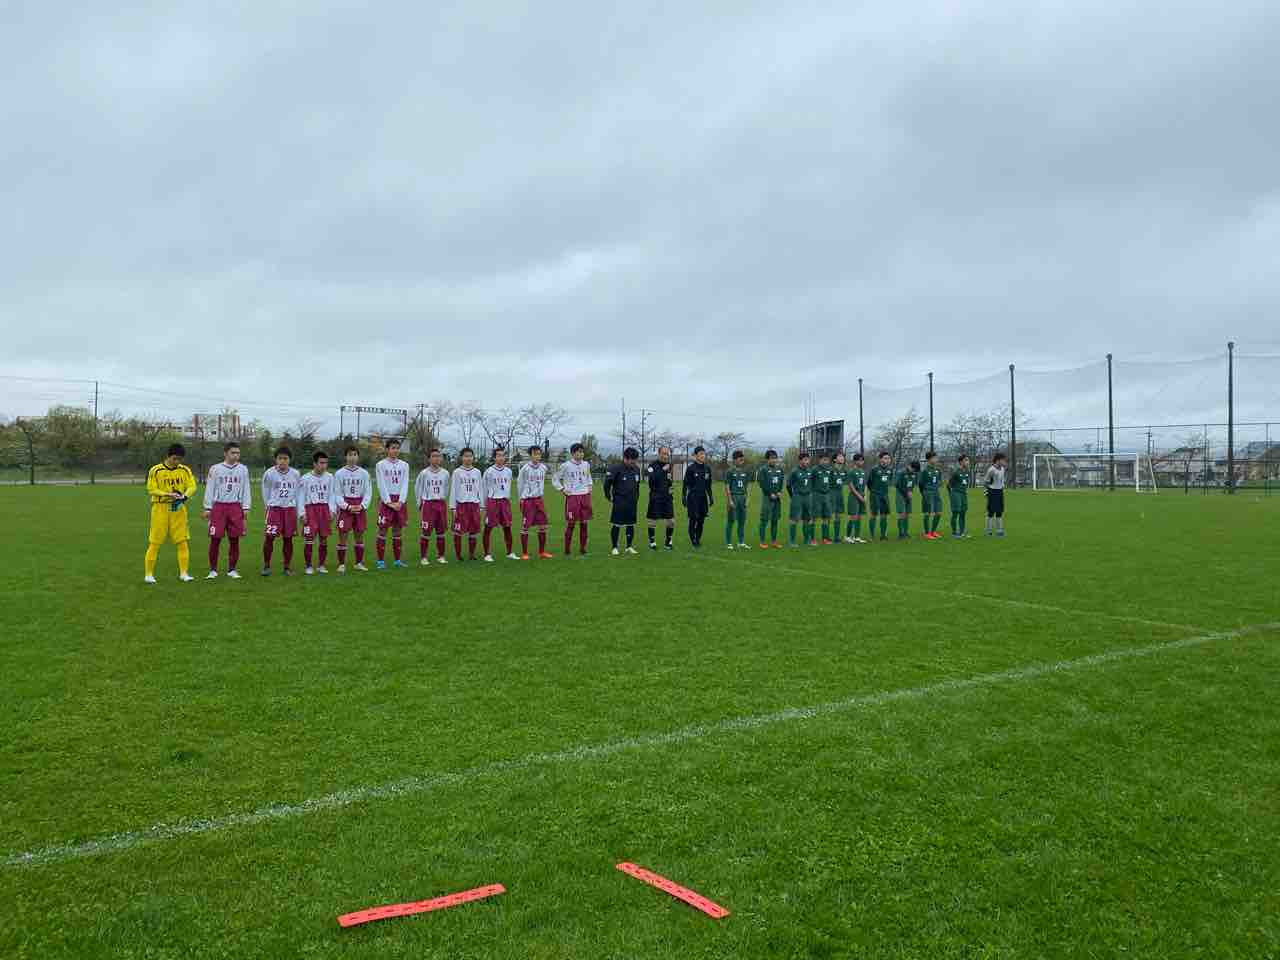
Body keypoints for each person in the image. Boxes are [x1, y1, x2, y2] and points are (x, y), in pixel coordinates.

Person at [144, 443, 197, 583]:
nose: (177, 462)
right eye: (175, 458)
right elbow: (151, 489)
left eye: (179, 459)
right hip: (160, 508)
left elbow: (192, 486)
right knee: (155, 542)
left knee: (182, 541)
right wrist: (167, 494)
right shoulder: (156, 470)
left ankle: (184, 573)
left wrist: (184, 496)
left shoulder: (184, 470)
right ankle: (149, 574)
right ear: (168, 456)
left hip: (178, 508)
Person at [204, 441, 251, 579]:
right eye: (233, 453)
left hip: (235, 507)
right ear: (225, 453)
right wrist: (208, 507)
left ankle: (232, 570)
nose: (236, 455)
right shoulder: (215, 469)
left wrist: (246, 507)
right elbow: (210, 488)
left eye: (238, 453)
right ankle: (213, 570)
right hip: (219, 507)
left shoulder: (243, 469)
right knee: (215, 539)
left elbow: (245, 489)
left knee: (234, 539)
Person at [261, 446, 301, 576]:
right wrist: (268, 506)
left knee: (288, 539)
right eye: (280, 458)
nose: (282, 461)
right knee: (269, 538)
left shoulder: (295, 474)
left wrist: (296, 509)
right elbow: (265, 492)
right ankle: (266, 566)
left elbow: (297, 493)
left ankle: (287, 567)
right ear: (275, 459)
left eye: (285, 458)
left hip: (289, 510)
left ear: (289, 460)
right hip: (274, 509)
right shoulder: (269, 473)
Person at [334, 445, 372, 572]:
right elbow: (337, 494)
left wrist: (362, 506)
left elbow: (368, 493)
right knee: (343, 534)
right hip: (346, 507)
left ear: (358, 457)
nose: (352, 457)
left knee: (359, 535)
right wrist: (347, 507)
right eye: (350, 455)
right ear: (346, 457)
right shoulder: (339, 473)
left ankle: (358, 563)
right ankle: (341, 564)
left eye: (355, 454)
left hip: (359, 506)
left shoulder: (364, 473)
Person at [552, 442, 594, 556]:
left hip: (585, 496)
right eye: (578, 452)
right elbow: (555, 478)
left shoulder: (586, 464)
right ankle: (567, 549)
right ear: (572, 453)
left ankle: (583, 549)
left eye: (582, 452)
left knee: (584, 524)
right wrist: (562, 489)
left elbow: (588, 477)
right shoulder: (566, 465)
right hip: (572, 497)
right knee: (571, 524)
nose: (581, 454)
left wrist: (590, 485)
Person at [374, 439, 410, 569]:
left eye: (397, 448)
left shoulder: (405, 465)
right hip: (386, 500)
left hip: (400, 501)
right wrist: (388, 502)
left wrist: (401, 501)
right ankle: (380, 561)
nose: (395, 450)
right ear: (387, 449)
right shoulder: (380, 465)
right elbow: (381, 484)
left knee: (397, 530)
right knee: (382, 530)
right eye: (392, 448)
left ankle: (397, 561)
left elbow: (405, 484)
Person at [297, 450, 334, 574]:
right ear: (314, 463)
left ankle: (321, 565)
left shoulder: (329, 477)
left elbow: (332, 495)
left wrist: (332, 511)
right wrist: (302, 513)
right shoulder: (305, 478)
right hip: (310, 509)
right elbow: (300, 497)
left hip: (324, 509)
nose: (324, 465)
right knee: (309, 538)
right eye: (321, 463)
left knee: (323, 538)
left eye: (325, 463)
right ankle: (308, 566)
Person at [414, 448, 451, 565]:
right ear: (429, 459)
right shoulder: (424, 473)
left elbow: (446, 488)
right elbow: (418, 488)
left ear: (441, 458)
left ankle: (441, 556)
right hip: (428, 504)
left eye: (438, 456)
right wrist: (419, 503)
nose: (436, 458)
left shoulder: (445, 473)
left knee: (441, 531)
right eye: (434, 456)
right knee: (426, 532)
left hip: (440, 504)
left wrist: (442, 498)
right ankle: (423, 557)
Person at [604, 447, 642, 555]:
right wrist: (608, 496)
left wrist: (637, 497)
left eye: (635, 460)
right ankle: (614, 547)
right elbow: (607, 483)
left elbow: (637, 485)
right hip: (620, 501)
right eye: (631, 460)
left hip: (632, 501)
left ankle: (629, 546)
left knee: (631, 524)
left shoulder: (636, 469)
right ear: (625, 458)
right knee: (617, 524)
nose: (633, 462)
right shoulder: (616, 468)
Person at [517, 445, 553, 560]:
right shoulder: (525, 468)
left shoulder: (543, 467)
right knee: (525, 527)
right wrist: (521, 499)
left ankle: (542, 552)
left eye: (539, 454)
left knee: (543, 526)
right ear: (530, 455)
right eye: (535, 454)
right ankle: (525, 553)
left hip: (539, 500)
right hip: (528, 500)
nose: (537, 456)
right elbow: (520, 484)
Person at [449, 447, 484, 560]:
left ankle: (471, 554)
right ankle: (458, 555)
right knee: (458, 531)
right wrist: (453, 507)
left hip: (474, 505)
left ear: (473, 458)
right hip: (461, 505)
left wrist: (482, 505)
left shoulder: (477, 472)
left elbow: (480, 489)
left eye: (470, 456)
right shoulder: (457, 472)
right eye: (465, 456)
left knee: (473, 531)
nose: (468, 458)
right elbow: (453, 489)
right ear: (461, 458)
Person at [482, 447, 516, 561]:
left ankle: (510, 552)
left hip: (505, 502)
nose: (501, 458)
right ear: (494, 457)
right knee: (488, 527)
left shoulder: (509, 471)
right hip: (493, 501)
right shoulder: (489, 471)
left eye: (503, 455)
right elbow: (484, 489)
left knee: (507, 527)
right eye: (498, 455)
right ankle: (487, 554)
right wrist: (484, 505)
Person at [682, 446, 713, 548]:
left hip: (703, 497)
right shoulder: (691, 469)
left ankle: (698, 538)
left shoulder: (707, 469)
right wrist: (683, 497)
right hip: (693, 497)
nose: (703, 456)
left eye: (704, 454)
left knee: (701, 520)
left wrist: (711, 497)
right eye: (700, 454)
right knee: (693, 518)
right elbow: (685, 484)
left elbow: (708, 485)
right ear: (695, 456)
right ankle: (693, 539)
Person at [646, 446, 676, 550]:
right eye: (663, 453)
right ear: (659, 454)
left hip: (667, 497)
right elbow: (652, 479)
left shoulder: (669, 466)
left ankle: (668, 542)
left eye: (667, 454)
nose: (665, 456)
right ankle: (652, 542)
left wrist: (671, 489)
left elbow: (669, 480)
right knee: (652, 521)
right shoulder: (652, 466)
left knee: (671, 521)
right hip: (655, 496)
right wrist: (663, 470)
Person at [756, 449, 785, 548]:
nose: (774, 460)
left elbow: (781, 482)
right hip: (767, 498)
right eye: (772, 458)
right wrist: (769, 493)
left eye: (775, 458)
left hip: (777, 498)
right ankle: (762, 541)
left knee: (775, 519)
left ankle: (774, 541)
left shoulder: (780, 469)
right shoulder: (763, 469)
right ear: (767, 459)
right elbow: (762, 483)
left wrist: (780, 492)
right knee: (764, 519)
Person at [723, 450, 751, 550]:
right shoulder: (730, 471)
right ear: (735, 460)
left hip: (742, 497)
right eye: (739, 458)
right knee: (731, 520)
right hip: (734, 497)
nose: (741, 460)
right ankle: (728, 542)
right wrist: (729, 500)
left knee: (742, 521)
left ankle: (741, 542)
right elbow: (727, 486)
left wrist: (748, 498)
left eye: (742, 458)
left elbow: (748, 486)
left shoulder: (745, 471)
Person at [787, 452, 815, 547]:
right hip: (797, 496)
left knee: (807, 518)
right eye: (805, 460)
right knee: (794, 519)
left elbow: (812, 483)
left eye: (808, 460)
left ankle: (807, 540)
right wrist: (793, 495)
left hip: (807, 497)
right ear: (800, 461)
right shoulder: (794, 471)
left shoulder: (810, 471)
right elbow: (788, 485)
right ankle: (792, 541)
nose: (807, 462)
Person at [866, 451, 894, 542]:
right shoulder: (874, 469)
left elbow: (889, 481)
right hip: (875, 494)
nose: (887, 460)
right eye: (885, 458)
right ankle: (871, 535)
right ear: (880, 459)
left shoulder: (890, 470)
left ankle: (883, 536)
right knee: (874, 514)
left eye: (888, 458)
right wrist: (874, 491)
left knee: (884, 515)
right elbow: (869, 483)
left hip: (885, 495)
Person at [917, 450, 944, 540]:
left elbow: (939, 481)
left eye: (936, 457)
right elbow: (920, 483)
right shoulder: (925, 471)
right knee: (928, 513)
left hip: (936, 492)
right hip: (927, 492)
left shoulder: (937, 470)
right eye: (934, 458)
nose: (936, 459)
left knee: (939, 512)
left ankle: (933, 531)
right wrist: (924, 493)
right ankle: (926, 533)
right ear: (929, 459)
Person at [844, 452, 869, 543]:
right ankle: (847, 536)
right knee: (853, 516)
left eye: (862, 460)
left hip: (862, 496)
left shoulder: (863, 472)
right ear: (855, 461)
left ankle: (857, 536)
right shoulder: (851, 472)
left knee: (859, 517)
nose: (861, 462)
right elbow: (851, 486)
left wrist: (865, 495)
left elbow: (865, 485)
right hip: (854, 497)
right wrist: (859, 496)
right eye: (859, 460)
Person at [810, 452, 835, 543]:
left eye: (827, 460)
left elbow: (832, 482)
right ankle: (812, 539)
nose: (826, 461)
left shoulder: (830, 469)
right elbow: (810, 482)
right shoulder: (814, 470)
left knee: (826, 517)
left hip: (827, 495)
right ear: (819, 460)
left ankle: (825, 538)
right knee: (814, 517)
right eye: (824, 459)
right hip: (816, 495)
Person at [894, 459, 919, 540]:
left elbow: (912, 484)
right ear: (910, 466)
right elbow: (897, 484)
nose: (914, 472)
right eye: (914, 470)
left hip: (908, 495)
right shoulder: (901, 473)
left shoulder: (914, 474)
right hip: (900, 495)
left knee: (907, 513)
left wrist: (911, 491)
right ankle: (901, 533)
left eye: (915, 471)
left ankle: (905, 532)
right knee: (902, 513)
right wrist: (906, 492)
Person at [984, 452, 1008, 537]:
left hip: (999, 492)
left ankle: (999, 530)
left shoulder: (1002, 469)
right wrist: (986, 492)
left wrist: (1002, 489)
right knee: (991, 512)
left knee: (999, 511)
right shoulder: (991, 470)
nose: (1005, 462)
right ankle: (988, 531)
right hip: (992, 492)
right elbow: (986, 481)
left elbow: (1001, 481)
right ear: (998, 460)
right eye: (1003, 460)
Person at [949, 454, 972, 539]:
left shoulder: (967, 472)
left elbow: (965, 483)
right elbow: (949, 484)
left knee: (963, 513)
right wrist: (952, 494)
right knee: (956, 512)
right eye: (966, 460)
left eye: (968, 460)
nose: (968, 462)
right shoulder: (956, 472)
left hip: (963, 494)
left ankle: (962, 532)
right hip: (956, 494)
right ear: (961, 462)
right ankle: (954, 533)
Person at [830, 452, 849, 546]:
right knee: (829, 515)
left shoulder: (844, 471)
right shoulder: (830, 470)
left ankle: (836, 537)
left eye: (843, 457)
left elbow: (847, 481)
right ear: (834, 460)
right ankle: (826, 537)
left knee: (838, 515)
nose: (842, 458)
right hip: (831, 493)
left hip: (839, 493)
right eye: (840, 457)